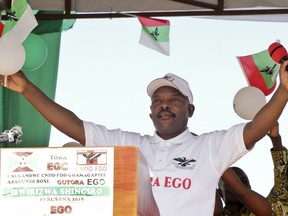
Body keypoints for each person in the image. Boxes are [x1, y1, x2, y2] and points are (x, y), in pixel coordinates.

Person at [1, 60, 288, 215]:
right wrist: (27, 89)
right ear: (150, 111)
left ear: (190, 109)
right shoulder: (130, 146)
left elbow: (254, 130)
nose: (164, 104)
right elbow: (75, 127)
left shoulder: (209, 147)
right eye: (157, 100)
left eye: (174, 100)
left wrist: (284, 90)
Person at [217, 122, 288, 216]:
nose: (240, 184)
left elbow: (282, 185)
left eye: (244, 181)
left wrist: (276, 140)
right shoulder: (208, 211)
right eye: (232, 182)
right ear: (220, 193)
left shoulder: (264, 209)